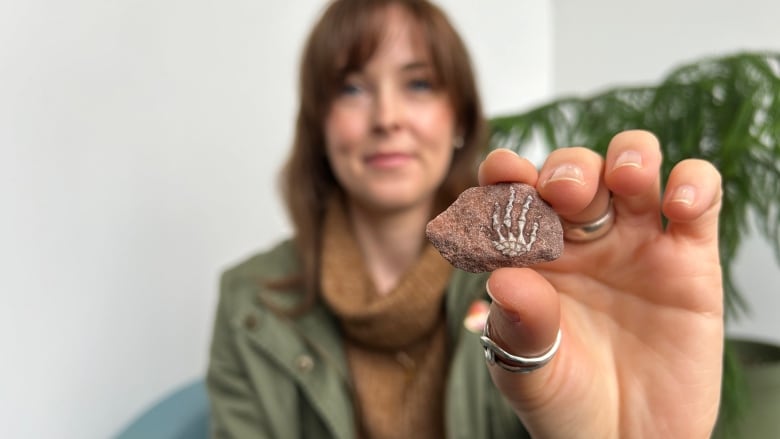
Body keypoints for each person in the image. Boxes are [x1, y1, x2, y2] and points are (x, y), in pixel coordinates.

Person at [206, 0, 724, 437]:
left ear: (459, 115)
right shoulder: (250, 301)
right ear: (318, 124)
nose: (387, 118)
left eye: (419, 84)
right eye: (352, 89)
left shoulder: (538, 284)